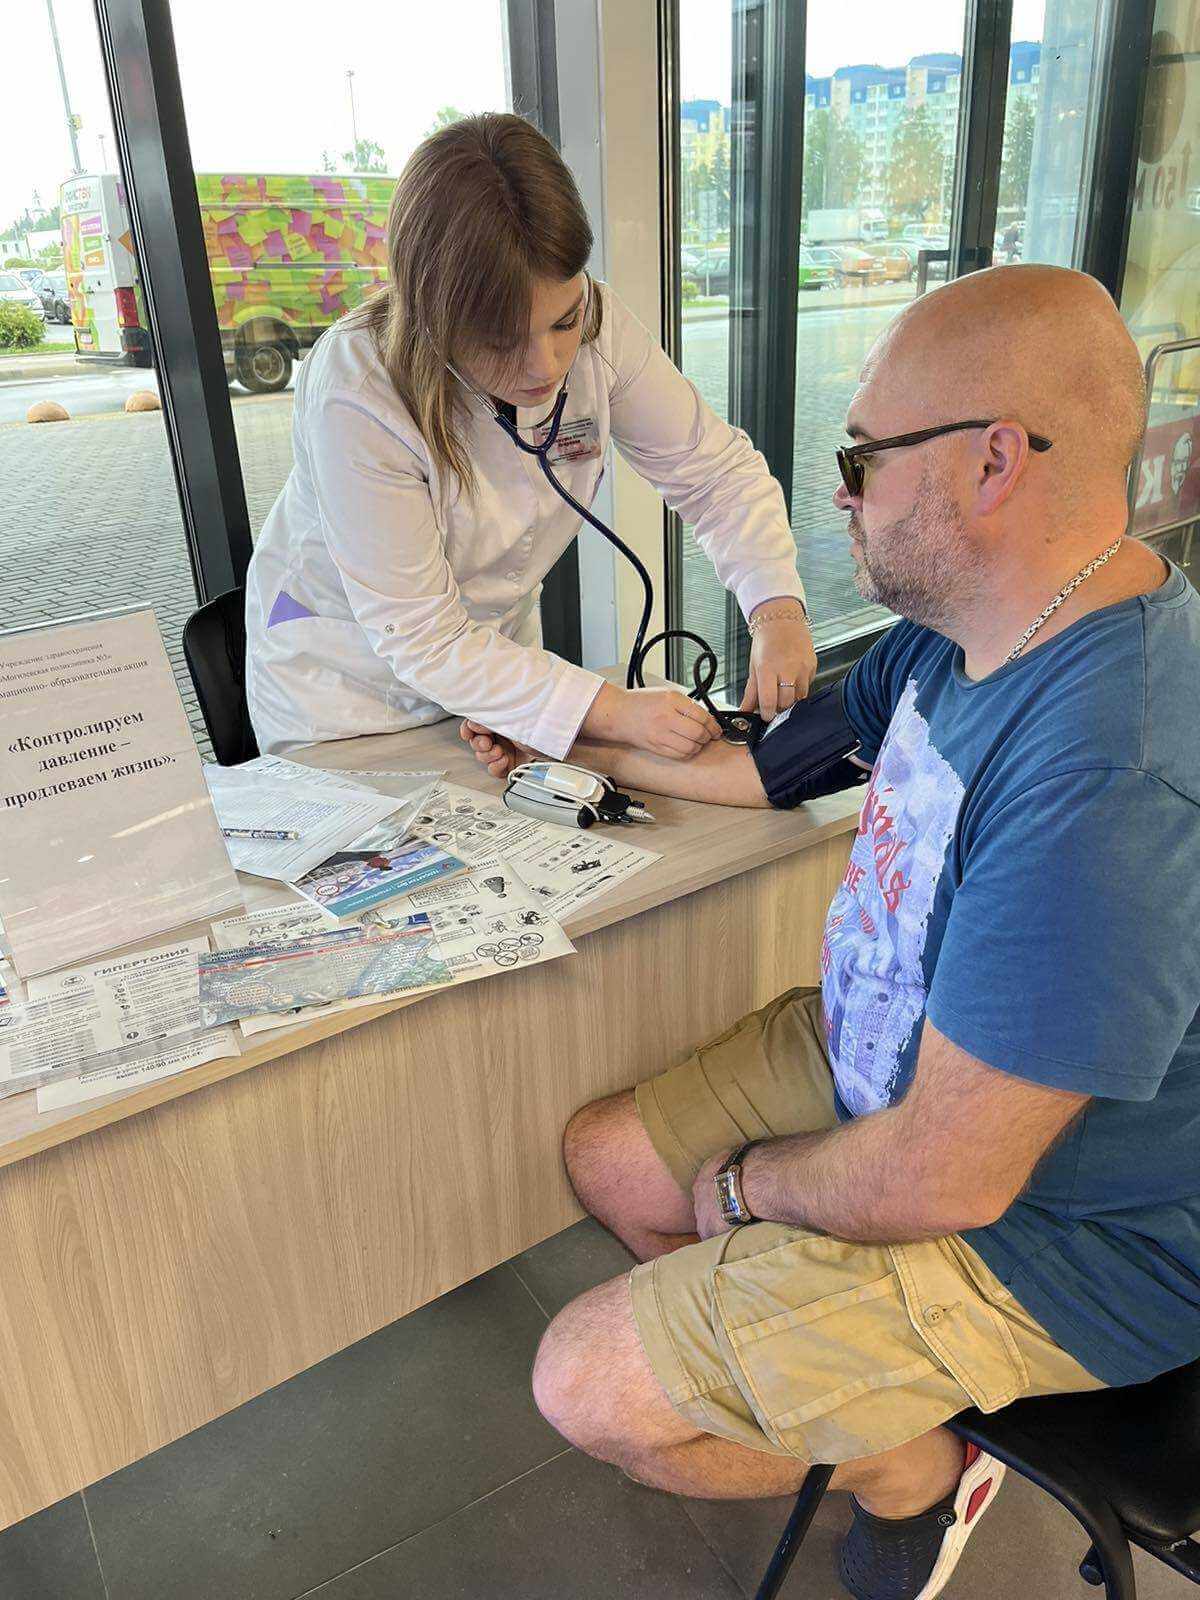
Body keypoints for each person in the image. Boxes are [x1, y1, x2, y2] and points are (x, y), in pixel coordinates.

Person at [465, 264, 1200, 1600]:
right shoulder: (959, 629)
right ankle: (860, 1393)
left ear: (991, 462)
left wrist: (757, 1187)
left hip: (1056, 1235)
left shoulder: (1110, 769)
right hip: (896, 1056)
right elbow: (765, 768)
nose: (842, 496)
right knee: (610, 1159)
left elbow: (951, 1177)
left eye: (863, 460)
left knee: (590, 1384)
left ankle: (912, 1467)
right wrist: (567, 740)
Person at [244, 113, 814, 764]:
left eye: (564, 322)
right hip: (344, 694)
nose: (546, 366)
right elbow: (422, 635)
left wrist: (777, 609)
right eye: (500, 339)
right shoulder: (358, 389)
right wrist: (613, 712)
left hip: (494, 673)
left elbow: (713, 473)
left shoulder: (600, 324)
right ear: (435, 318)